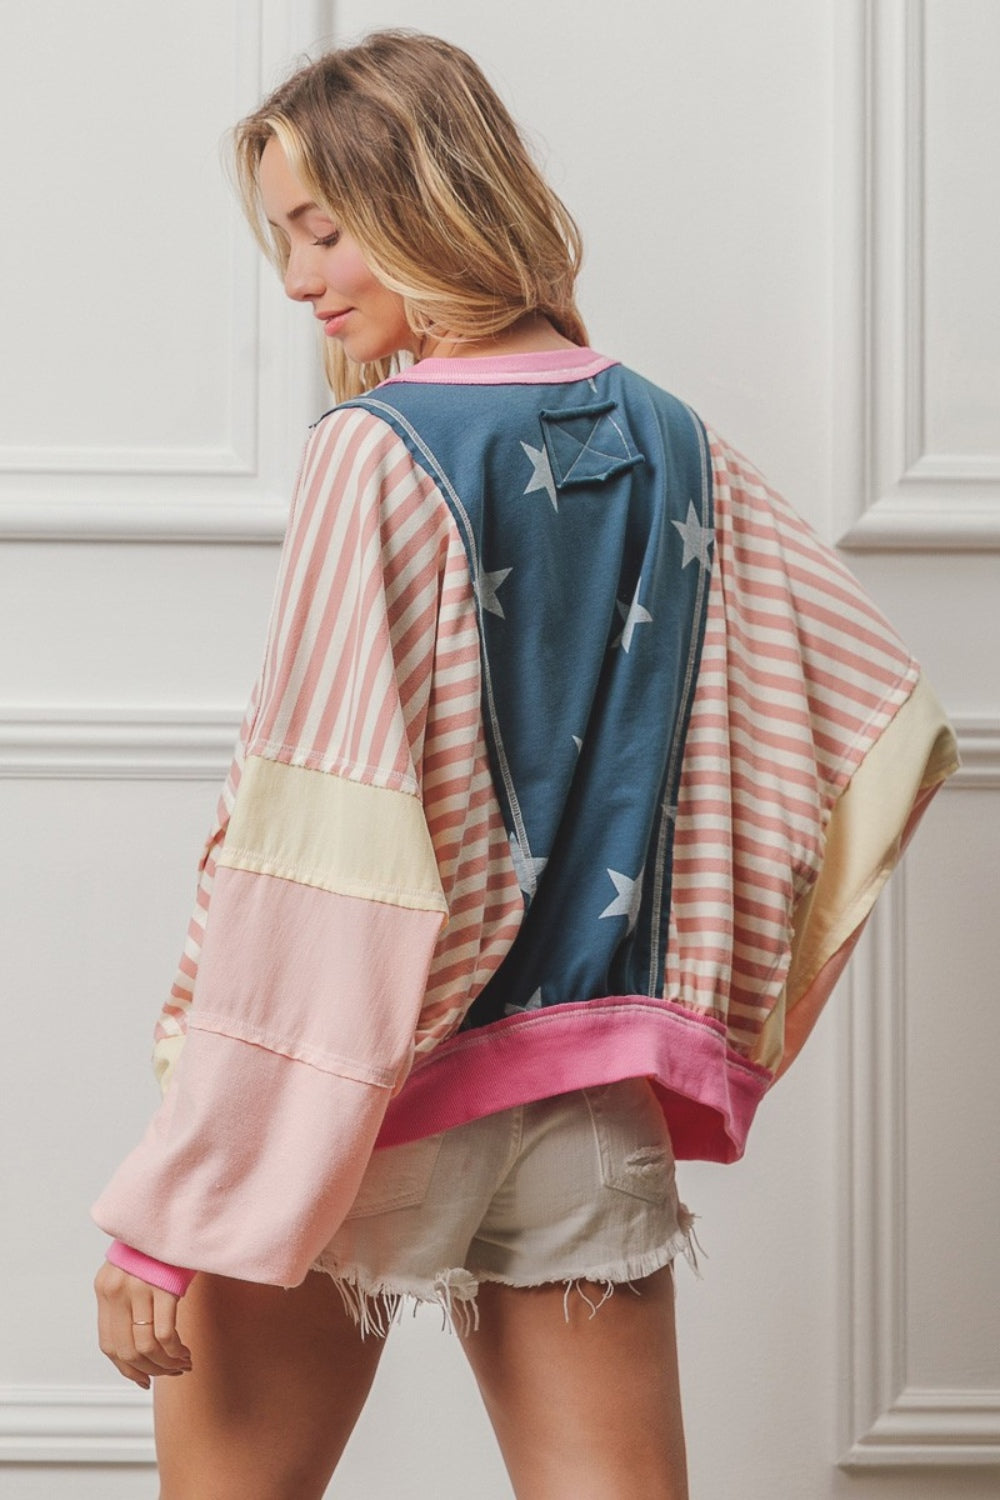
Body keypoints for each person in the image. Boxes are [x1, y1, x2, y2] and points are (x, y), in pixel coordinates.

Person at [91, 28, 959, 1500]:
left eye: (323, 227)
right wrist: (690, 986)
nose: (299, 279)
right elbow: (890, 725)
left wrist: (178, 1200)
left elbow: (315, 841)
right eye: (284, 239)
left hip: (360, 1099)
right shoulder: (673, 436)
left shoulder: (376, 450)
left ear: (430, 194)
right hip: (589, 1093)